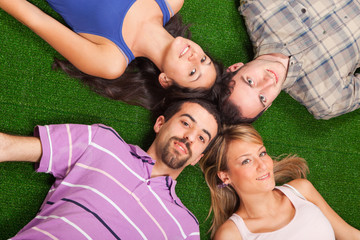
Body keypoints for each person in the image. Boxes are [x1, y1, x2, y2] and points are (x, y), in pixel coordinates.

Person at [0, 98, 220, 239]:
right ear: (160, 124)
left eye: (201, 137)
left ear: (197, 159)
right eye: (185, 123)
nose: (190, 136)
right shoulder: (102, 142)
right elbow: (7, 148)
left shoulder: (185, 229)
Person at [0, 0, 224, 109]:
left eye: (193, 72)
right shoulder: (171, 1)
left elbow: (34, 18)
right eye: (204, 59)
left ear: (166, 80)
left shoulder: (110, 60)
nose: (195, 57)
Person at [199, 124, 360, 239]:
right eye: (246, 161)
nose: (263, 165)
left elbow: (350, 235)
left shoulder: (301, 190)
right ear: (225, 176)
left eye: (262, 153)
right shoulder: (232, 234)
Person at [221, 0, 360, 123]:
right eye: (262, 98)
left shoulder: (258, 6)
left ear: (235, 67)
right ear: (268, 106)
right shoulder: (326, 101)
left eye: (250, 81)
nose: (268, 82)